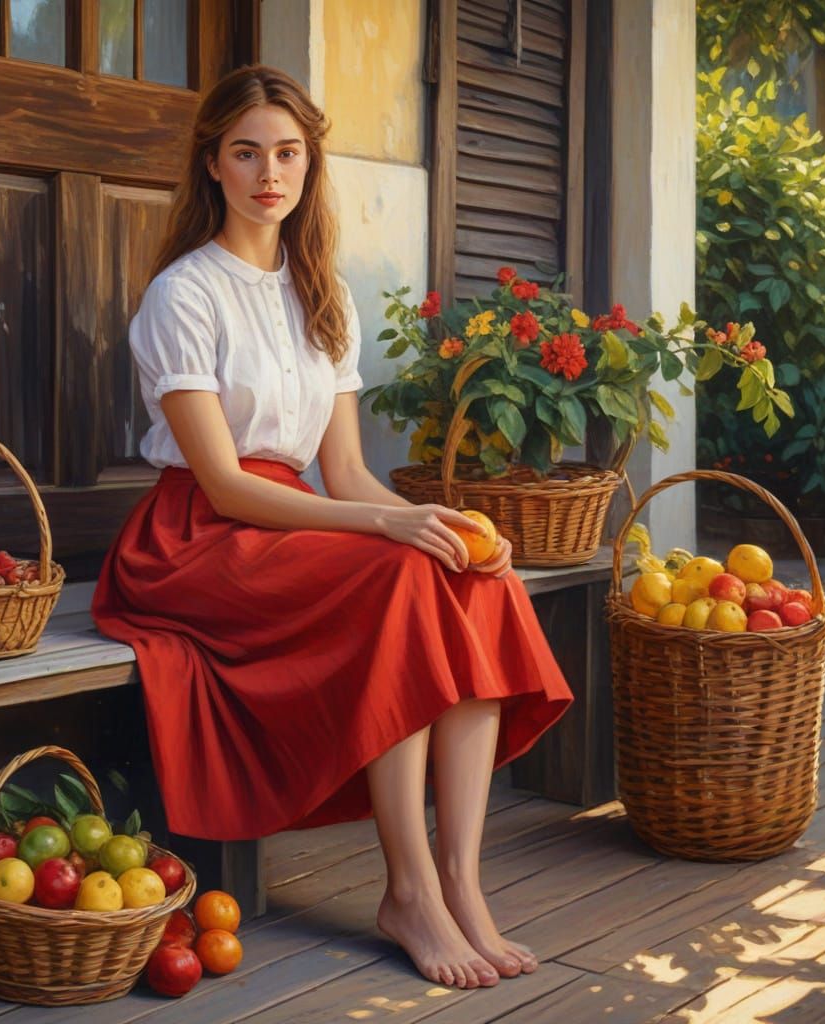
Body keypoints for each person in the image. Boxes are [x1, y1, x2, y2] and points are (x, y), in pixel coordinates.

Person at [91, 64, 575, 991]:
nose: (268, 172)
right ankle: (408, 889)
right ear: (213, 166)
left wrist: (441, 519)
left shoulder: (326, 296)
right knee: (398, 578)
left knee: (470, 573)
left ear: (309, 164)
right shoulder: (182, 295)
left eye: (287, 153)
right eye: (246, 153)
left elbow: (347, 470)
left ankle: (461, 886)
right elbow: (227, 485)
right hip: (197, 537)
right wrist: (380, 532)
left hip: (300, 518)